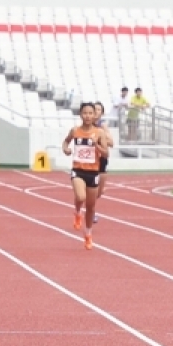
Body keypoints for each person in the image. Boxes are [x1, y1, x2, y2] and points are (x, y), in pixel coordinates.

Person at [62, 102, 108, 250]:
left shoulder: (99, 133)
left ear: (94, 115)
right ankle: (76, 212)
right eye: (85, 113)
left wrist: (97, 145)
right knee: (80, 197)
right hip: (78, 170)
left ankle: (88, 234)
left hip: (93, 172)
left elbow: (106, 153)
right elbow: (66, 141)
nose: (87, 116)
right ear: (80, 115)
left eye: (90, 113)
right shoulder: (75, 130)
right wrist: (66, 149)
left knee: (91, 207)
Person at [92, 101, 114, 223]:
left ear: (102, 113)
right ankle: (92, 212)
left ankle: (91, 206)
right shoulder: (86, 125)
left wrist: (100, 138)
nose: (96, 111)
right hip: (90, 161)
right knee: (91, 190)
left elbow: (111, 143)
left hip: (102, 159)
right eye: (94, 109)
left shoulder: (103, 126)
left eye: (99, 109)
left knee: (98, 192)